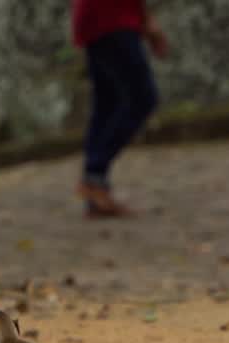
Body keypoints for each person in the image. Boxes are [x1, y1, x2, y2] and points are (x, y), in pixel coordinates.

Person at [71, 0, 169, 218]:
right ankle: (94, 176)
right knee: (142, 99)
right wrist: (149, 24)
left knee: (107, 103)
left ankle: (96, 192)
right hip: (112, 16)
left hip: (92, 17)